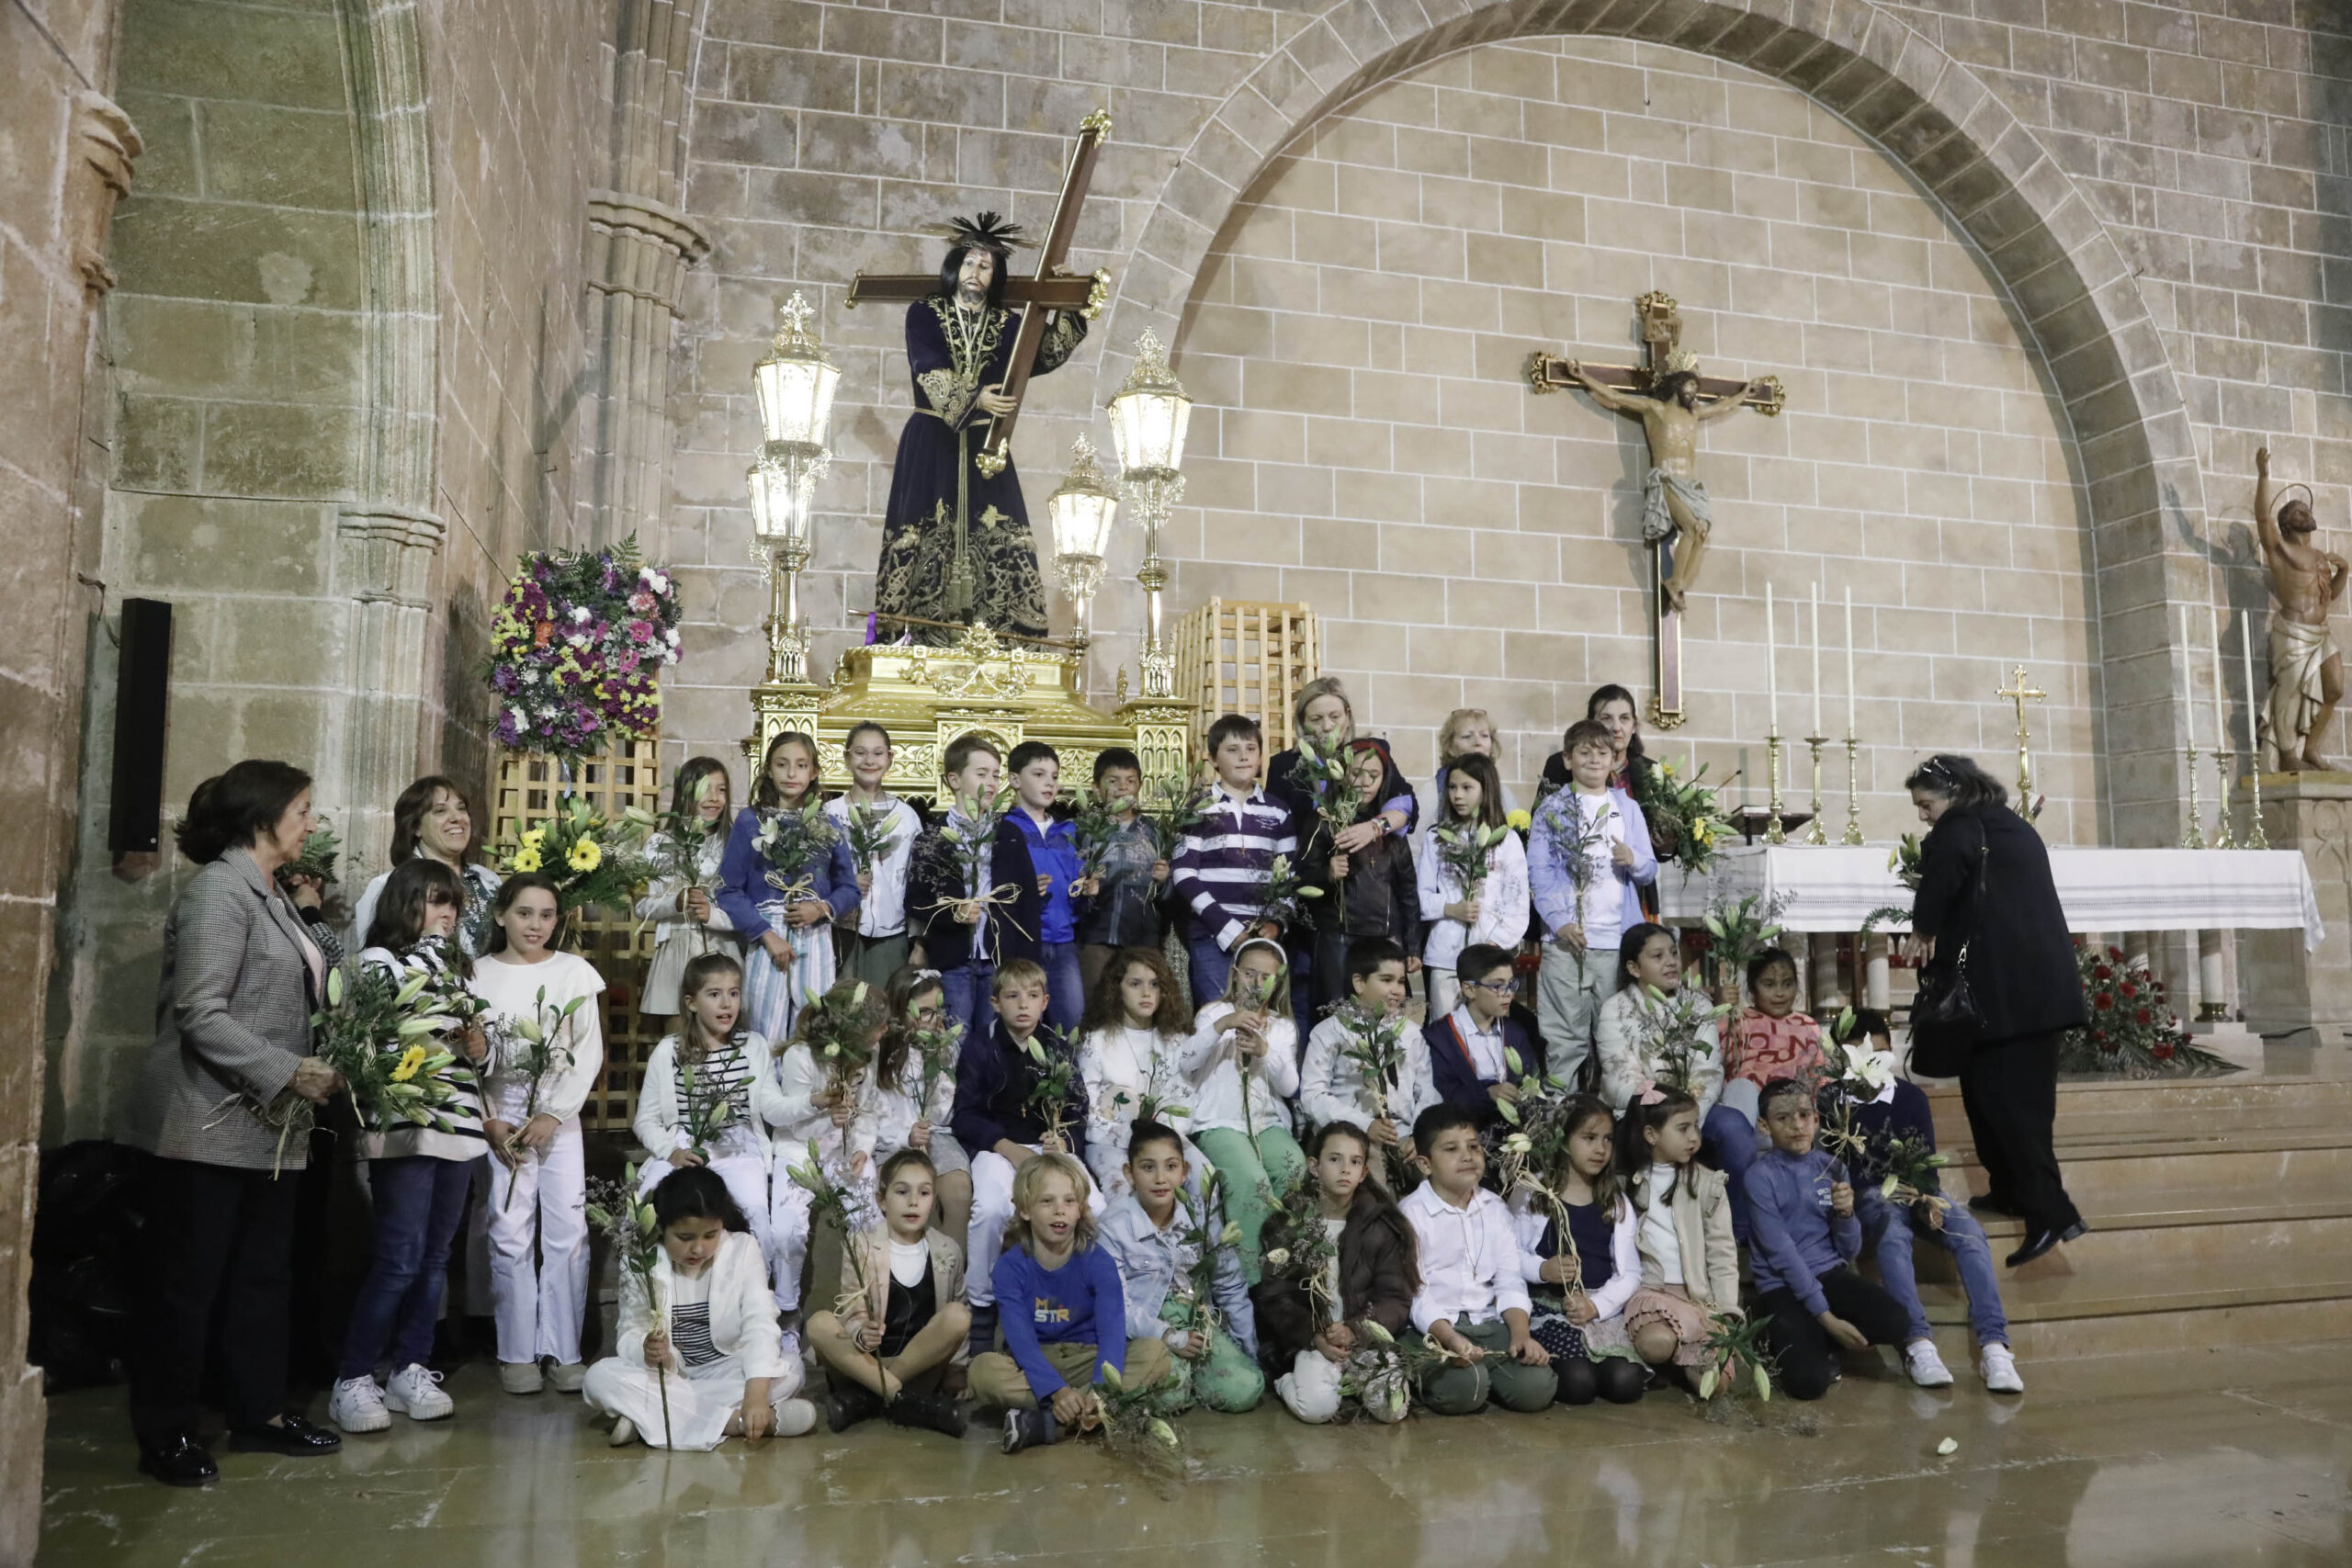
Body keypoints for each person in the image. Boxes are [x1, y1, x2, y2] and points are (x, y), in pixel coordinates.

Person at [127, 760, 345, 1484]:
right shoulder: (222, 890)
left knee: (260, 1278)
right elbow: (201, 1013)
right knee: (187, 1289)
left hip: (266, 1126)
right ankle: (166, 1432)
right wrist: (288, 1069)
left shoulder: (272, 892)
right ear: (263, 814)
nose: (311, 822)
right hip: (206, 1123)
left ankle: (258, 1412)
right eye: (303, 809)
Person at [328, 859, 493, 1436]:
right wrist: (439, 1027)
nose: (445, 914)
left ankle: (411, 1366)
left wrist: (479, 1044)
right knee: (397, 1259)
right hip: (407, 1125)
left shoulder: (456, 969)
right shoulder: (381, 962)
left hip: (459, 1126)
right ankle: (352, 1377)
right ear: (404, 904)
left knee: (433, 1260)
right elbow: (372, 1032)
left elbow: (475, 1053)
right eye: (433, 901)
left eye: (452, 904)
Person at [870, 210, 1086, 642]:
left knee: (1002, 532)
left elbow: (1039, 356)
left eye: (985, 266)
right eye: (969, 262)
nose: (975, 272)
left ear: (995, 274)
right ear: (956, 267)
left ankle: (1002, 638)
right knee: (920, 530)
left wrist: (1067, 302)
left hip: (988, 444)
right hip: (933, 438)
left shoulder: (1007, 324)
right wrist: (973, 399)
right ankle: (910, 634)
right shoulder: (925, 313)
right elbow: (926, 366)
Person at [1906, 752, 2087, 1266]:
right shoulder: (2008, 825)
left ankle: (2052, 1213)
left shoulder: (1961, 826)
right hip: (2020, 995)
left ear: (1955, 792)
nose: (1923, 815)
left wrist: (1924, 925)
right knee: (1987, 1094)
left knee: (2016, 1109)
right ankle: (2008, 1189)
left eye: (1926, 804)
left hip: (2012, 999)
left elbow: (1942, 879)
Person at [471, 874, 605, 1394]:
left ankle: (564, 1350)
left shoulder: (574, 972)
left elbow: (587, 1051)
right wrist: (488, 1118)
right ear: (502, 914)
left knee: (568, 1232)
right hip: (503, 1113)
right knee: (508, 1228)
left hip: (558, 1114)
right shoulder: (476, 975)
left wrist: (554, 1112)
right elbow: (469, 1057)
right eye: (525, 913)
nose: (536, 925)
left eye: (547, 915)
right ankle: (516, 1352)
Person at [582, 1166, 818, 1448]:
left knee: (791, 1368)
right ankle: (734, 1423)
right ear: (661, 1228)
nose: (698, 1249)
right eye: (685, 1238)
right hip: (671, 1376)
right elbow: (630, 1330)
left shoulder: (742, 1248)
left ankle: (647, 1417)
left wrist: (755, 1394)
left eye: (710, 1235)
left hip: (728, 1368)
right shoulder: (641, 1260)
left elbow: (760, 1321)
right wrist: (645, 1350)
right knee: (598, 1377)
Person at [1835, 1060, 2025, 1394]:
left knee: (1969, 1232)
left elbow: (1926, 1163)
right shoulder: (1834, 1099)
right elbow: (1836, 1168)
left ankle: (1995, 1346)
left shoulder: (1910, 1096)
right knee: (1893, 1235)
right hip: (1870, 1194)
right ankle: (1916, 1343)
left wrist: (1925, 1200)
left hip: (1918, 1188)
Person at [971, 1153, 1172, 1454]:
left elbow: (1112, 1334)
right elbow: (1021, 1341)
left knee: (1155, 1353)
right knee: (982, 1370)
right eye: (1047, 1201)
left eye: (1069, 1202)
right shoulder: (1010, 1268)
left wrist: (1098, 1391)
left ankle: (1050, 1422)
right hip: (1037, 1361)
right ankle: (1091, 1416)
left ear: (1080, 1210)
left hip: (1088, 1360)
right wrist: (1056, 1391)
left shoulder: (1098, 1261)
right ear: (1024, 1209)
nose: (1059, 1212)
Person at [952, 961, 1098, 1356]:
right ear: (996, 1002)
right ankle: (982, 1313)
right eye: (1013, 996)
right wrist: (1005, 1147)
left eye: (1033, 996)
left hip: (1046, 1149)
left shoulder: (1057, 1046)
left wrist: (1063, 1141)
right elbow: (964, 1115)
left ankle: (1086, 1306)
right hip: (999, 1149)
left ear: (1045, 1001)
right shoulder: (980, 1045)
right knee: (992, 1209)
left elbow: (1077, 1113)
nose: (1023, 1005)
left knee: (1095, 1208)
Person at [1747, 1078, 1911, 1401]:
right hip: (1783, 1284)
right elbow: (1781, 1254)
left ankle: (1810, 1337)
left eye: (1804, 1115)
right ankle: (1784, 1334)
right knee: (1808, 1384)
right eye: (1783, 1118)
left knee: (1897, 1321)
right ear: (1765, 1126)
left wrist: (1847, 1215)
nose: (1796, 1125)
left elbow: (1849, 1250)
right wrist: (1828, 1318)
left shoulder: (1832, 1167)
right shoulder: (1759, 1176)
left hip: (1829, 1273)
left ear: (1816, 1120)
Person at [1250, 1121, 1419, 1424]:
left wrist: (1356, 1329)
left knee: (1393, 1409)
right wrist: (1314, 1337)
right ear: (1314, 1166)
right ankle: (1288, 1381)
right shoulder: (1290, 1225)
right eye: (1334, 1159)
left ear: (1364, 1172)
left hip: (1364, 1341)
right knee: (1316, 1410)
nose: (1345, 1169)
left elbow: (1394, 1298)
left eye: (1355, 1162)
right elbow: (1276, 1297)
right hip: (1314, 1343)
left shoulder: (1380, 1227)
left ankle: (1351, 1382)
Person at [1100, 1121, 1264, 1414]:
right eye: (1148, 1167)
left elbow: (1229, 1283)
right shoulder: (1113, 1226)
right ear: (1129, 1173)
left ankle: (1197, 1379)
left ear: (1184, 1172)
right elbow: (1116, 1308)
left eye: (1171, 1166)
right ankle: (1185, 1383)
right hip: (1150, 1328)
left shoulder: (1200, 1216)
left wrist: (1246, 1351)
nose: (1161, 1178)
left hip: (1198, 1320)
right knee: (1167, 1398)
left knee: (1246, 1389)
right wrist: (1168, 1335)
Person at [1399, 1104, 1555, 1414]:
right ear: (1425, 1164)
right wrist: (1451, 1339)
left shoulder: (1494, 1208)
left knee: (1538, 1387)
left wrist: (1521, 1336)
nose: (1468, 1156)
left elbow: (1509, 1279)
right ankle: (1460, 1377)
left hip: (1488, 1325)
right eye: (1452, 1149)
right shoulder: (1411, 1213)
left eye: (1474, 1147)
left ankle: (1488, 1374)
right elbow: (1415, 1293)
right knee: (1467, 1389)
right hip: (1433, 1330)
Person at [805, 1149, 971, 1437]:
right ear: (882, 1200)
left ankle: (869, 1400)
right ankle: (902, 1398)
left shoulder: (947, 1250)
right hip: (865, 1366)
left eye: (924, 1193)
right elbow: (852, 1306)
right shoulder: (863, 1244)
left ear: (933, 1202)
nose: (913, 1201)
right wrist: (860, 1331)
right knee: (819, 1322)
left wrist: (956, 1370)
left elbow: (958, 1305)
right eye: (902, 1191)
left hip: (918, 1368)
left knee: (958, 1315)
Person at [1529, 718, 1657, 1085]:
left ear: (1614, 760)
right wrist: (1560, 922)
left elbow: (1648, 870)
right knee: (1564, 1038)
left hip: (1615, 942)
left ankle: (1617, 1113)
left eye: (1602, 753)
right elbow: (1540, 872)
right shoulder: (1551, 809)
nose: (1594, 760)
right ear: (1568, 759)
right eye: (1584, 752)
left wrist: (1633, 859)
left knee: (1617, 1037)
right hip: (1567, 941)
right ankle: (1563, 1113)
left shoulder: (1627, 808)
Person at [756, 976, 889, 1319]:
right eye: (879, 1025)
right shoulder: (801, 1056)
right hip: (799, 1149)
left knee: (869, 1219)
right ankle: (787, 1312)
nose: (886, 1031)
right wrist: (824, 1111)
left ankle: (863, 1309)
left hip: (844, 1153)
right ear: (853, 1029)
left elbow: (869, 1111)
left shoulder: (868, 1053)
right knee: (786, 1231)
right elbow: (789, 1122)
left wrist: (862, 1146)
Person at [631, 953, 775, 1261]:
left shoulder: (753, 1046)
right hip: (682, 1143)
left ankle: (758, 1291)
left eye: (733, 993)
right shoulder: (669, 1050)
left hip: (737, 1145)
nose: (727, 1004)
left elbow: (773, 1105)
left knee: (756, 1215)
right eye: (714, 994)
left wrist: (812, 1102)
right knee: (644, 1205)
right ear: (691, 1002)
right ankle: (656, 1292)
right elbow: (645, 1120)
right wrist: (671, 1152)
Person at [717, 731, 857, 1043]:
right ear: (768, 769)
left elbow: (849, 888)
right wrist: (766, 935)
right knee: (764, 1030)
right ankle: (765, 1091)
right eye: (782, 765)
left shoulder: (828, 824)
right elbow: (727, 889)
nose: (791, 774)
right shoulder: (750, 821)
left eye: (801, 765)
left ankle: (807, 1091)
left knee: (813, 1027)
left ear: (814, 772)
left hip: (815, 933)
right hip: (768, 934)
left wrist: (820, 908)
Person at [907, 734, 1046, 1043]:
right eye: (981, 774)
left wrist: (1029, 964)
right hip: (955, 959)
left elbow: (1026, 903)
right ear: (954, 780)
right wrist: (952, 912)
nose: (992, 782)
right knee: (955, 1040)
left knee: (995, 1041)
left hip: (1000, 960)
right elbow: (916, 901)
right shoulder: (932, 836)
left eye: (996, 775)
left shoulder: (1009, 833)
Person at [1182, 939, 1306, 1280]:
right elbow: (1187, 1063)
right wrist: (1224, 1025)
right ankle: (1255, 1278)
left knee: (1293, 1166)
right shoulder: (1212, 1013)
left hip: (1266, 1123)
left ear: (1277, 982)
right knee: (1251, 1180)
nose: (1256, 983)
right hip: (1220, 1121)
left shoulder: (1282, 1026)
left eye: (1266, 977)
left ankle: (1285, 1260)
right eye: (1250, 974)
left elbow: (1290, 1087)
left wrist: (1266, 1051)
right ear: (1235, 975)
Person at [1511, 1092, 1647, 1405]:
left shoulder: (1615, 1201)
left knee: (1625, 1383)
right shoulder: (1535, 1194)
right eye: (1589, 1138)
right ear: (1562, 1141)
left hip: (1598, 1308)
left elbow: (1630, 1273)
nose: (1600, 1149)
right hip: (1549, 1307)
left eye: (1607, 1139)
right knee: (1578, 1384)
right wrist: (1542, 1270)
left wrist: (1596, 1306)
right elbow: (1509, 1255)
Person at [1170, 713, 1298, 1006]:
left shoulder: (1279, 812)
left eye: (1251, 749)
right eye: (1232, 750)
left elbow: (1289, 878)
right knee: (1218, 1016)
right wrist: (1227, 928)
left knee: (1258, 1015)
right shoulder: (1198, 808)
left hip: (1261, 938)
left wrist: (1276, 923)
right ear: (1214, 758)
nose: (1243, 757)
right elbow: (1185, 875)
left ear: (1261, 756)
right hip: (1211, 935)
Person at [1296, 738, 1424, 1021]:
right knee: (1337, 1020)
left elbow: (1408, 892)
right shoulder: (1323, 820)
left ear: (1385, 778)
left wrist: (1413, 945)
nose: (1365, 782)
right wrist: (1328, 873)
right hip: (1337, 939)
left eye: (1374, 775)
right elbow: (1300, 879)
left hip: (1385, 939)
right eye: (1356, 773)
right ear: (1341, 773)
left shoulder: (1392, 828)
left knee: (1386, 1021)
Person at [1619, 1087, 1741, 1379]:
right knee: (1657, 1343)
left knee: (1714, 1385)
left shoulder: (1708, 1185)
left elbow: (1722, 1251)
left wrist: (1726, 1308)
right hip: (1653, 1291)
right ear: (1651, 1135)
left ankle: (1687, 1355)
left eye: (1695, 1126)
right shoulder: (1626, 1183)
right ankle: (1673, 1351)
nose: (1694, 1137)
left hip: (1698, 1298)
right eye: (1683, 1128)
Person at [854, 965, 972, 1245]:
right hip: (893, 1140)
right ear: (898, 1011)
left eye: (937, 1010)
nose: (931, 1020)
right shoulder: (881, 1054)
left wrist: (940, 1058)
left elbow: (943, 1112)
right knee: (897, 1191)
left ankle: (948, 1276)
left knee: (958, 1193)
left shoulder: (947, 1047)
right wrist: (906, 1135)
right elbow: (874, 1112)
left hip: (937, 1135)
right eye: (923, 1012)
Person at [1712, 947, 1822, 1243]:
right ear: (1751, 989)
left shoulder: (1808, 1026)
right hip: (1751, 1116)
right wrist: (1724, 1011)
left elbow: (1819, 1075)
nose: (1779, 993)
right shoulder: (1739, 1020)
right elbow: (1718, 1061)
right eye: (1769, 984)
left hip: (1792, 1115)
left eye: (1787, 984)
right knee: (1741, 1087)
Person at [1075, 947, 1199, 1201]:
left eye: (1155, 984)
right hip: (1110, 1144)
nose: (1146, 993)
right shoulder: (1096, 1042)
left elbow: (1184, 1102)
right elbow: (1084, 1108)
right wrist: (1130, 1137)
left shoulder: (1177, 1041)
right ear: (1116, 988)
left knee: (1204, 1176)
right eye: (1135, 983)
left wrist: (1159, 1140)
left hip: (1166, 1142)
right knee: (1123, 1191)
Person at [1416, 751, 1531, 1019]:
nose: (1458, 795)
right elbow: (1420, 897)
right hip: (1446, 957)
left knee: (1487, 1030)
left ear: (1486, 789)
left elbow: (1517, 904)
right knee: (1445, 1030)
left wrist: (1493, 945)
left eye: (1467, 788)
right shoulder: (1437, 838)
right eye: (1453, 788)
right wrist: (1450, 909)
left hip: (1489, 956)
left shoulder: (1507, 840)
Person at [349, 773, 503, 957]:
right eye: (440, 811)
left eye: (461, 809)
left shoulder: (488, 879)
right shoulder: (386, 886)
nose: (457, 818)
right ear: (415, 827)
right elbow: (374, 970)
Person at [632, 756, 740, 1021]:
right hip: (677, 947)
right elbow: (642, 904)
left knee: (723, 1034)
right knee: (680, 1039)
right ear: (686, 792)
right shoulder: (661, 843)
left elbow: (746, 903)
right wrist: (675, 902)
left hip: (723, 946)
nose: (714, 797)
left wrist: (714, 913)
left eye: (721, 789)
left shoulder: (734, 843)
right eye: (705, 788)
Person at [1004, 740, 1094, 1040]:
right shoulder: (1005, 829)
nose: (1049, 783)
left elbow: (1076, 886)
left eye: (1054, 776)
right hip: (1024, 942)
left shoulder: (1068, 831)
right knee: (1024, 1025)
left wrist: (1086, 890)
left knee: (1071, 1026)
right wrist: (1024, 890)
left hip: (1064, 942)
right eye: (1039, 775)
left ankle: (1066, 1085)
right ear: (1014, 780)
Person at [826, 723, 922, 987]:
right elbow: (815, 874)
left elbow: (915, 881)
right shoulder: (829, 813)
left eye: (878, 753)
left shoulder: (905, 816)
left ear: (890, 759)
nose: (869, 760)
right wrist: (844, 885)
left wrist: (918, 942)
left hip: (891, 934)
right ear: (846, 757)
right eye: (860, 752)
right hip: (841, 930)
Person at [1594, 924, 1724, 1120]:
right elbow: (1621, 1077)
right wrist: (1663, 1112)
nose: (1671, 962)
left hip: (1695, 1107)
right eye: (1658, 956)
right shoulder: (1614, 1009)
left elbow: (1708, 1071)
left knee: (1731, 1124)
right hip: (1642, 1113)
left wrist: (1690, 1114)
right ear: (1634, 968)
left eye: (1674, 953)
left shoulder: (1699, 1005)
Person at [1076, 748, 1172, 997]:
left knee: (1139, 1005)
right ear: (1096, 788)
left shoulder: (1153, 831)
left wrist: (1163, 883)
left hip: (1142, 938)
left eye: (1130, 781)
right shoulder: (1085, 830)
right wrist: (1084, 886)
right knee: (1097, 1004)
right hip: (1096, 936)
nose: (1122, 788)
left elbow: (1169, 894)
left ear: (1139, 786)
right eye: (1113, 781)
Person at [1426, 942, 1544, 1131]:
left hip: (1513, 1134)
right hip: (1462, 1131)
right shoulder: (1440, 1037)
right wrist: (1488, 1094)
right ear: (1469, 989)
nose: (1509, 994)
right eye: (1498, 986)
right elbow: (1444, 1094)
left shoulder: (1516, 1032)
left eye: (1511, 984)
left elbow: (1533, 1082)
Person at [1432, 706, 1520, 816]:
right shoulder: (1432, 791)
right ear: (1450, 746)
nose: (1478, 742)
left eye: (1484, 735)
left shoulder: (1504, 793)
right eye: (1467, 736)